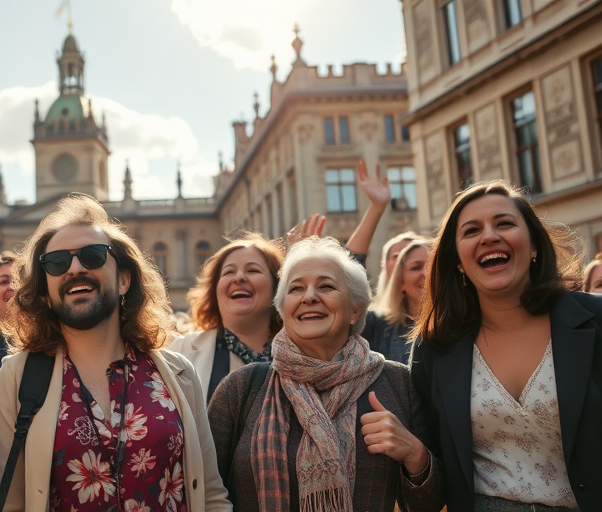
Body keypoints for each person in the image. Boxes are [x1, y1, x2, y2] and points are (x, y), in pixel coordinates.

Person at [0, 194, 231, 512]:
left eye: (93, 256)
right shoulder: (17, 379)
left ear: (124, 279)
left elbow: (211, 496)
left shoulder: (178, 374)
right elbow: (6, 504)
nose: (74, 268)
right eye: (57, 262)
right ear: (44, 292)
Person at [209, 237, 443, 512]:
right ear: (283, 310)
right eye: (296, 289)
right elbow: (207, 492)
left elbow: (432, 503)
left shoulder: (398, 382)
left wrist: (415, 455)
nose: (309, 296)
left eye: (326, 286)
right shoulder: (240, 388)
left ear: (355, 309)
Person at [411, 180, 599, 511]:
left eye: (505, 223)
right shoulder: (433, 348)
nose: (488, 236)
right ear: (457, 261)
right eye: (471, 231)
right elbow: (435, 473)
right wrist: (412, 456)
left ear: (534, 245)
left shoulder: (596, 319)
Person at [171, 234, 284, 402]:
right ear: (215, 290)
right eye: (229, 272)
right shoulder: (181, 351)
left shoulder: (301, 350)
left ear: (278, 287)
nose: (239, 278)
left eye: (252, 270)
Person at [363, 238, 430, 363]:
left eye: (434, 266)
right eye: (416, 267)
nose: (427, 274)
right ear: (400, 282)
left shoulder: (467, 325)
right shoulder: (378, 325)